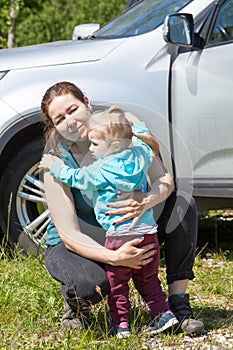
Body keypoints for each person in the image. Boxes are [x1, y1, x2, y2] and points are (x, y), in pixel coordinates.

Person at [40, 81, 205, 336]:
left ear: (86, 101)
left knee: (182, 204)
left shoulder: (120, 130)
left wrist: (147, 199)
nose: (70, 122)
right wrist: (116, 258)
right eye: (60, 119)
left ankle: (177, 304)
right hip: (77, 241)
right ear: (54, 126)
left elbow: (165, 181)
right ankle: (76, 307)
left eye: (72, 109)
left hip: (127, 228)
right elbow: (68, 234)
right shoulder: (55, 161)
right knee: (92, 284)